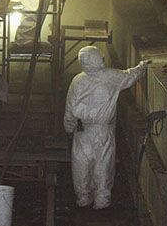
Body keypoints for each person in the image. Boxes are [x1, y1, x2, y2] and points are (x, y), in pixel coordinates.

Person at [63, 46, 148, 209]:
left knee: (81, 166)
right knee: (103, 165)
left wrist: (69, 127)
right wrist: (142, 66)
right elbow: (130, 76)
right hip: (103, 130)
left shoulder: (77, 80)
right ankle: (101, 203)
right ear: (97, 58)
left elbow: (69, 108)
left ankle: (83, 199)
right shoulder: (110, 76)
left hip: (82, 131)